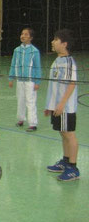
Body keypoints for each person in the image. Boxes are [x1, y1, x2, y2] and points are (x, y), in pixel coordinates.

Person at [44, 29, 79, 182]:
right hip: (56, 105)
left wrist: (62, 104)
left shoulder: (69, 62)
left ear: (64, 44)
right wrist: (49, 105)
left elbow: (72, 84)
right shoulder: (57, 61)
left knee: (69, 134)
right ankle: (65, 161)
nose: (52, 42)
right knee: (62, 133)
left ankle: (73, 167)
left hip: (65, 107)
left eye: (55, 40)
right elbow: (54, 86)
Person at [8, 27, 41, 132]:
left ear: (31, 38)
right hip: (20, 80)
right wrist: (11, 78)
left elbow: (37, 67)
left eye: (26, 34)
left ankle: (32, 123)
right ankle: (21, 119)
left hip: (30, 81)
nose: (23, 36)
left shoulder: (34, 51)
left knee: (30, 101)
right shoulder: (16, 50)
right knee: (20, 100)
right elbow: (13, 64)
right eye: (22, 34)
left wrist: (37, 81)